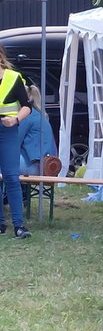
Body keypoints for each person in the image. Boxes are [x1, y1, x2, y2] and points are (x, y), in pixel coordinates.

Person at [0, 44, 32, 239]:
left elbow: (26, 107)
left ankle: (19, 225)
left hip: (7, 130)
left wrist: (16, 119)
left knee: (11, 177)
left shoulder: (13, 77)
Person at [18, 86, 58, 176]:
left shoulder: (26, 115)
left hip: (32, 166)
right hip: (45, 166)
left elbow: (14, 142)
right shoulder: (39, 115)